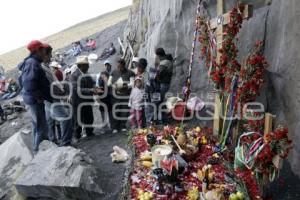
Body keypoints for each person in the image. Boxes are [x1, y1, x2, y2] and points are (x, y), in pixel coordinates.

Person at [18, 40, 52, 153]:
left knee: (37, 127)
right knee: (41, 128)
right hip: (35, 101)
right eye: (42, 50)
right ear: (38, 51)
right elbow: (28, 85)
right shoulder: (32, 63)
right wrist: (39, 97)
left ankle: (36, 150)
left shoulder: (31, 62)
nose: (44, 52)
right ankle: (38, 153)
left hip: (32, 100)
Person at [42, 46, 73, 146]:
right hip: (52, 98)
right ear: (44, 55)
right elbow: (50, 84)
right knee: (65, 118)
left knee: (50, 121)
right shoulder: (43, 68)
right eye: (49, 54)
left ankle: (54, 140)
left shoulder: (46, 67)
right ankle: (65, 142)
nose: (51, 57)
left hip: (49, 98)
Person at [70, 56, 98, 141]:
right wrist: (91, 90)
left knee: (89, 117)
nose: (88, 67)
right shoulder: (74, 76)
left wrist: (95, 87)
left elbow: (92, 82)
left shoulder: (87, 74)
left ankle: (89, 132)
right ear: (81, 66)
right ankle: (76, 136)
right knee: (77, 119)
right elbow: (76, 89)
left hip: (87, 100)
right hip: (78, 101)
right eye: (87, 65)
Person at [108, 58, 135, 133]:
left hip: (125, 94)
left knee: (124, 110)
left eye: (120, 66)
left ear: (124, 65)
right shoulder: (113, 72)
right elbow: (109, 83)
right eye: (118, 67)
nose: (119, 68)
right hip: (115, 95)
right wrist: (115, 86)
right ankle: (115, 127)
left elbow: (132, 83)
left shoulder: (130, 73)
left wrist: (125, 86)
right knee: (116, 110)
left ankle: (123, 125)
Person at [155, 48, 173, 123]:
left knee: (160, 101)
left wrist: (156, 79)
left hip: (163, 84)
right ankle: (163, 118)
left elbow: (159, 73)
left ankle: (163, 119)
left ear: (158, 55)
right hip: (165, 83)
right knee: (161, 101)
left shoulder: (164, 62)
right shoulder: (167, 60)